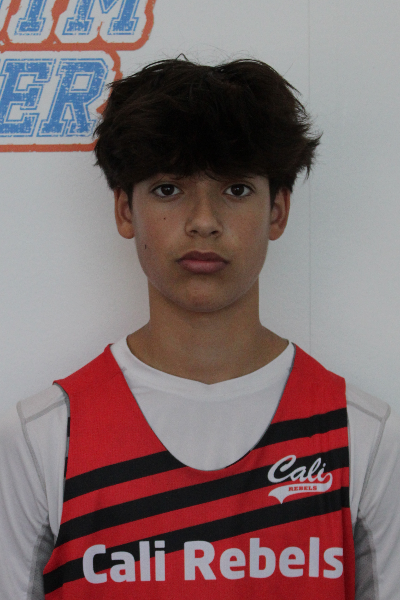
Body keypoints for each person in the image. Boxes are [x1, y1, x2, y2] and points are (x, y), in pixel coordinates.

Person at [0, 57, 399, 600]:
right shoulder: (44, 438)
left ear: (278, 210)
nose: (204, 221)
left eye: (236, 189)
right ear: (125, 210)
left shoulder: (363, 437)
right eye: (169, 189)